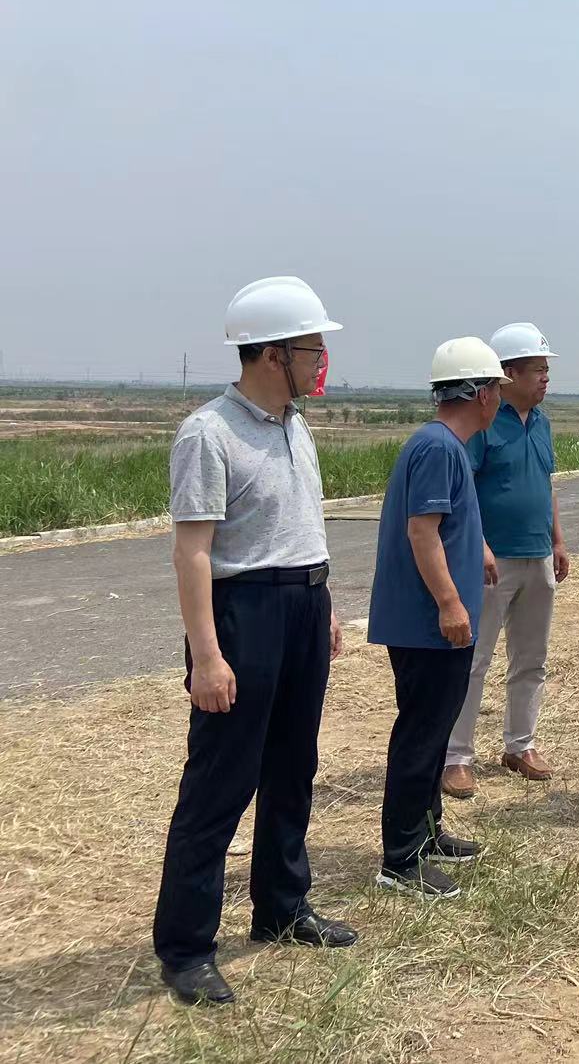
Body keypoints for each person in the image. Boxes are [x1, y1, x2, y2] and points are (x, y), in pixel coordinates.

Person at [153, 276, 355, 1006]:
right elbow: (193, 552)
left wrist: (321, 602)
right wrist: (207, 655)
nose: (322, 361)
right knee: (221, 781)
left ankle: (282, 906)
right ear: (273, 354)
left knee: (293, 765)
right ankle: (186, 947)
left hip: (303, 604)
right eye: (312, 349)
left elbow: (297, 523)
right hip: (244, 613)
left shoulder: (295, 425)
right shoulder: (208, 433)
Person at [368, 338, 509, 897]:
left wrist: (479, 550)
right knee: (421, 735)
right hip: (427, 624)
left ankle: (427, 833)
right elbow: (422, 533)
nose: (499, 399)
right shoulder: (438, 448)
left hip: (433, 623)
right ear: (481, 394)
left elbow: (447, 526)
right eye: (497, 388)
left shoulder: (445, 446)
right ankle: (400, 859)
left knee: (433, 730)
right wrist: (451, 603)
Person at [442, 322, 570, 800]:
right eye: (537, 369)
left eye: (546, 369)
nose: (545, 378)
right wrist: (478, 546)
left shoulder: (542, 423)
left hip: (537, 555)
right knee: (474, 660)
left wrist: (558, 541)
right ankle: (456, 756)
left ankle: (520, 745)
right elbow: (462, 490)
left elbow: (546, 484)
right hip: (492, 562)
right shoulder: (483, 424)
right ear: (508, 373)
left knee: (531, 658)